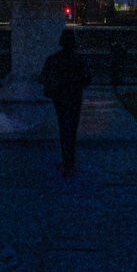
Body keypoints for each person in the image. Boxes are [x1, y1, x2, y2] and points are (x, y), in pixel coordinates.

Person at [40, 28, 92, 177]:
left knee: (63, 128)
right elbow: (87, 79)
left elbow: (43, 77)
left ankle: (66, 161)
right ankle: (70, 161)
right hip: (74, 97)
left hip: (60, 97)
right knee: (72, 129)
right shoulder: (79, 60)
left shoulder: (54, 59)